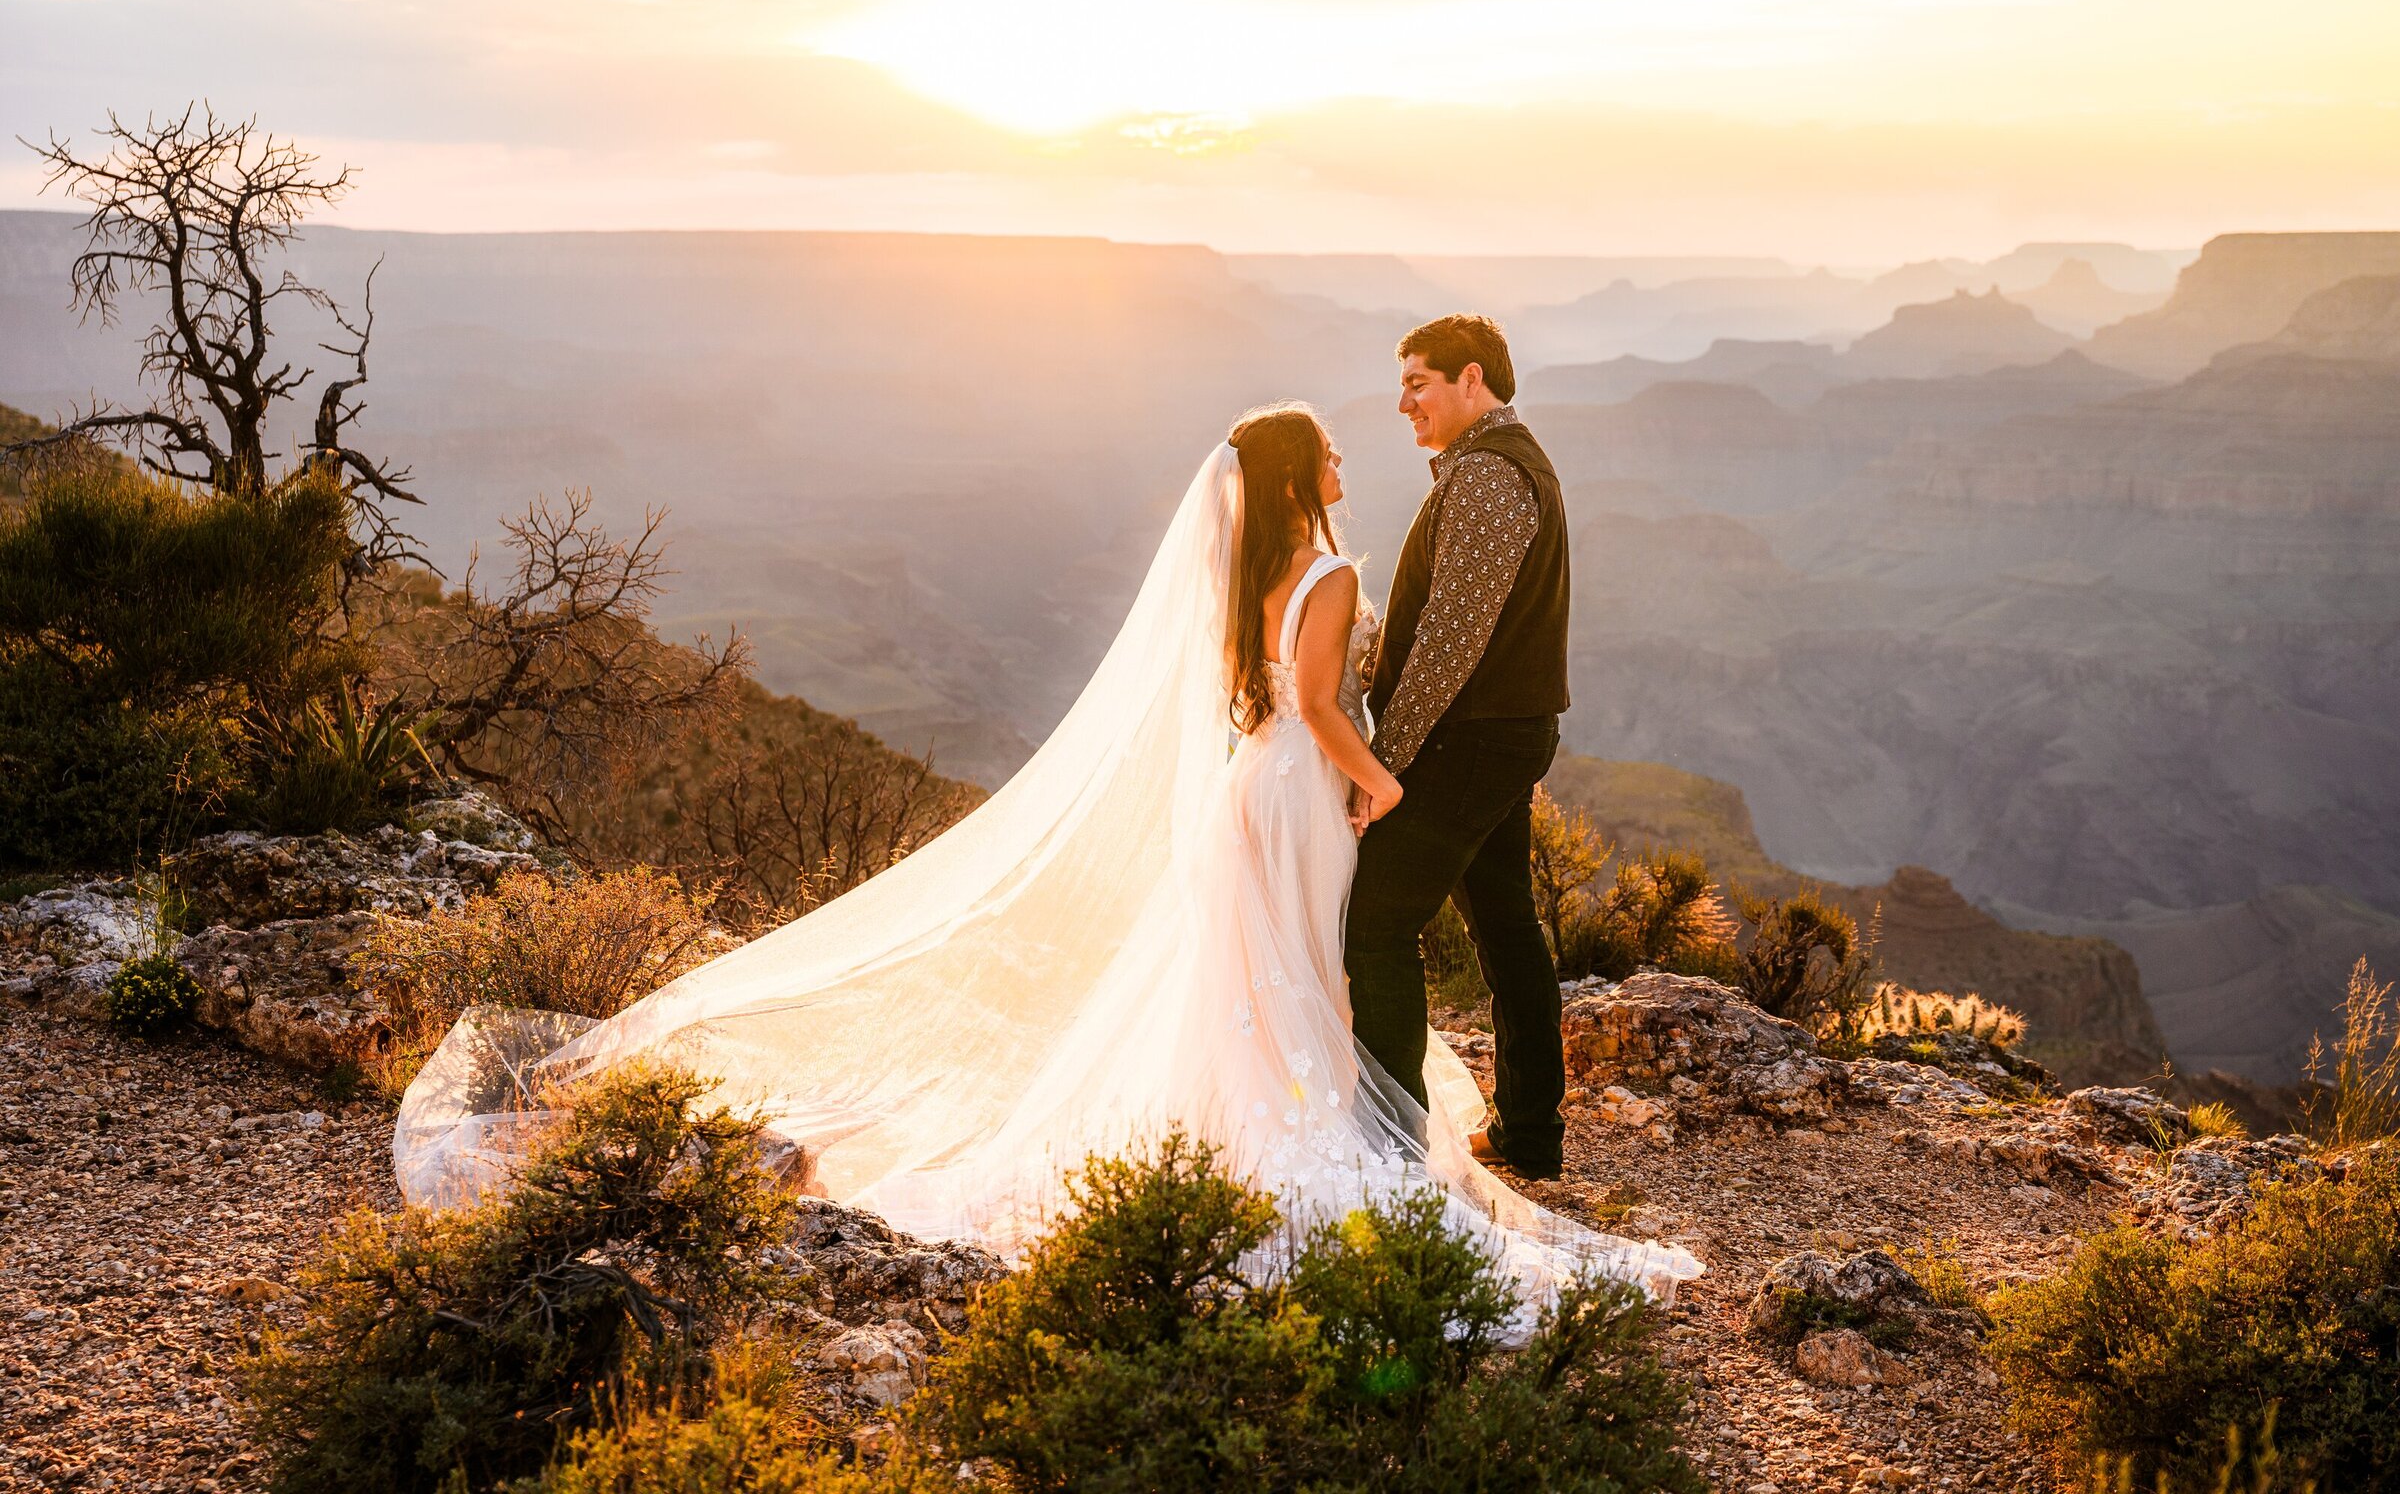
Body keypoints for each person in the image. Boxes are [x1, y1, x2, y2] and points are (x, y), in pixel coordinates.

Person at [394, 399, 1696, 1309]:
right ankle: (1323, 1141)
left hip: (1249, 792)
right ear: (1304, 472)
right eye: (1335, 446)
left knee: (1260, 979)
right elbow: (1311, 711)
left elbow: (1260, 701)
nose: (1353, 453)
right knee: (1309, 970)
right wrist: (1384, 782)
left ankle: (1269, 1129)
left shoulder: (1249, 571)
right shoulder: (1332, 569)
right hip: (1302, 786)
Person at [1346, 314, 1575, 1181]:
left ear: (1470, 380)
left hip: (1467, 741)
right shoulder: (1507, 464)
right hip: (1501, 734)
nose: (1403, 402)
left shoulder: (1485, 478)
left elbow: (1451, 641)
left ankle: (1390, 1145)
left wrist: (1385, 765)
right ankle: (1529, 1132)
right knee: (1506, 924)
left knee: (1374, 924)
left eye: (1418, 382)